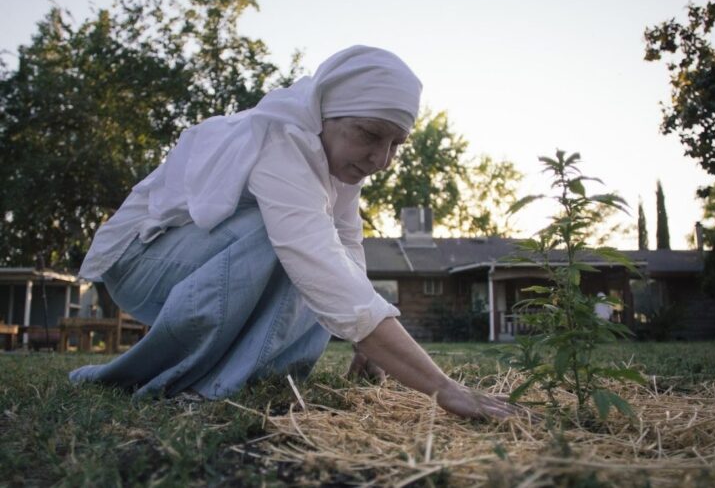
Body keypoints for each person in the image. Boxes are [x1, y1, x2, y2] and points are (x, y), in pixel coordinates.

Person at [72, 45, 518, 420]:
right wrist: (443, 388)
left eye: (396, 145)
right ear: (326, 110)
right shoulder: (282, 141)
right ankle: (200, 382)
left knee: (314, 249)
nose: (381, 159)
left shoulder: (338, 164)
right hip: (139, 261)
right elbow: (317, 259)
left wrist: (367, 345)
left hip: (196, 258)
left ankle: (259, 376)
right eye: (369, 134)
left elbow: (347, 245)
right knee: (293, 245)